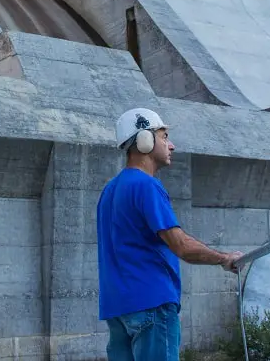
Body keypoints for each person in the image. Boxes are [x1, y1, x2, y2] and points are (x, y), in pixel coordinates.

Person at [96, 107, 243, 361]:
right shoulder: (146, 185)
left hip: (117, 309)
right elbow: (181, 246)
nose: (171, 145)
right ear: (145, 140)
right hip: (151, 305)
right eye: (164, 137)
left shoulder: (109, 191)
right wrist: (223, 258)